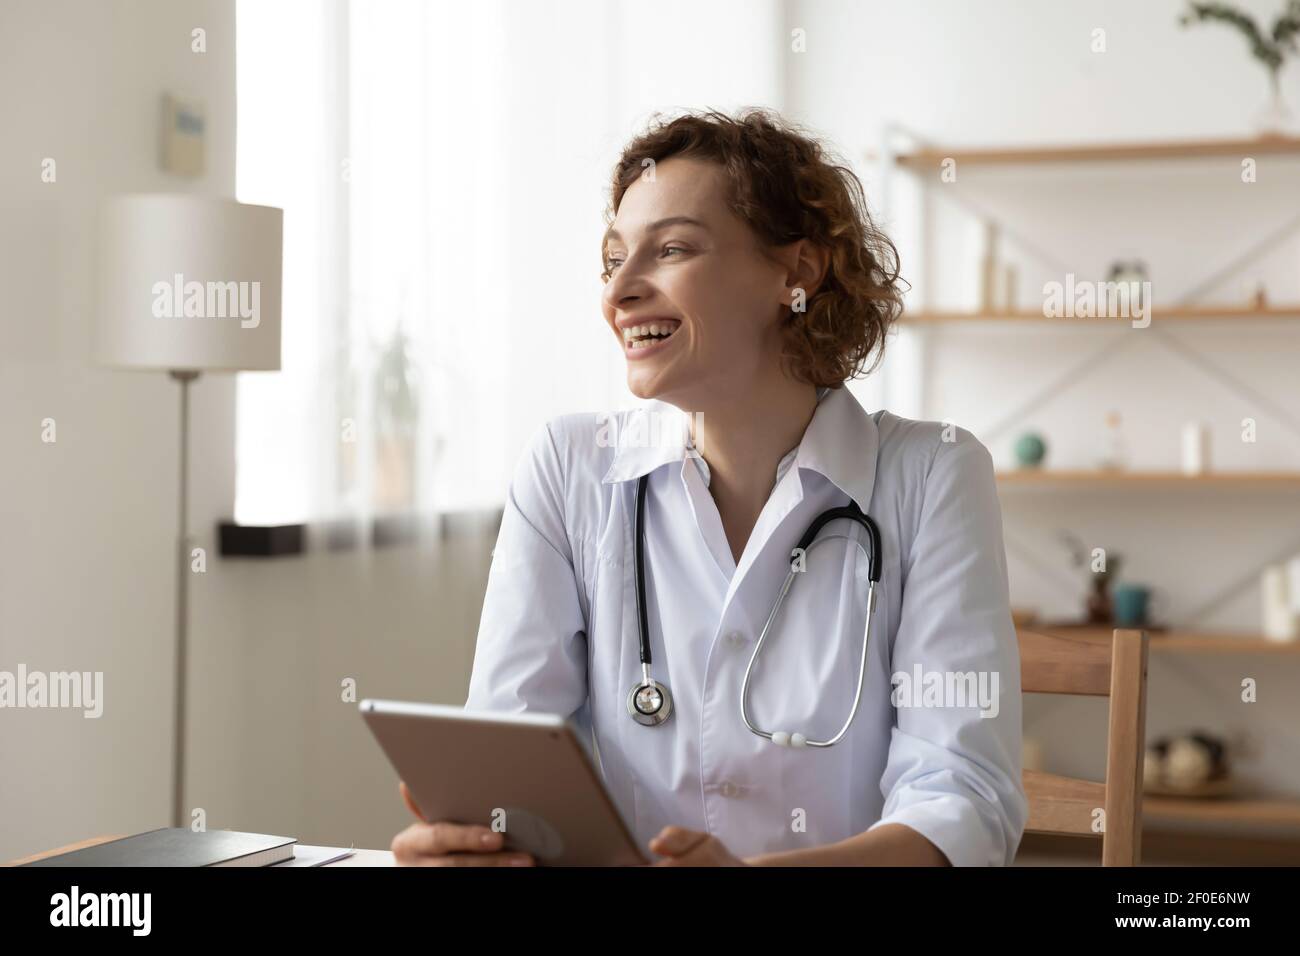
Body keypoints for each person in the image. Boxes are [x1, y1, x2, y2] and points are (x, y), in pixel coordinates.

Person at [391, 107, 1027, 866]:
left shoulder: (932, 474)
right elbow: (511, 759)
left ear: (797, 272)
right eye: (613, 258)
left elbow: (961, 799)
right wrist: (471, 840)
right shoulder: (570, 467)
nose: (620, 291)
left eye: (670, 249)